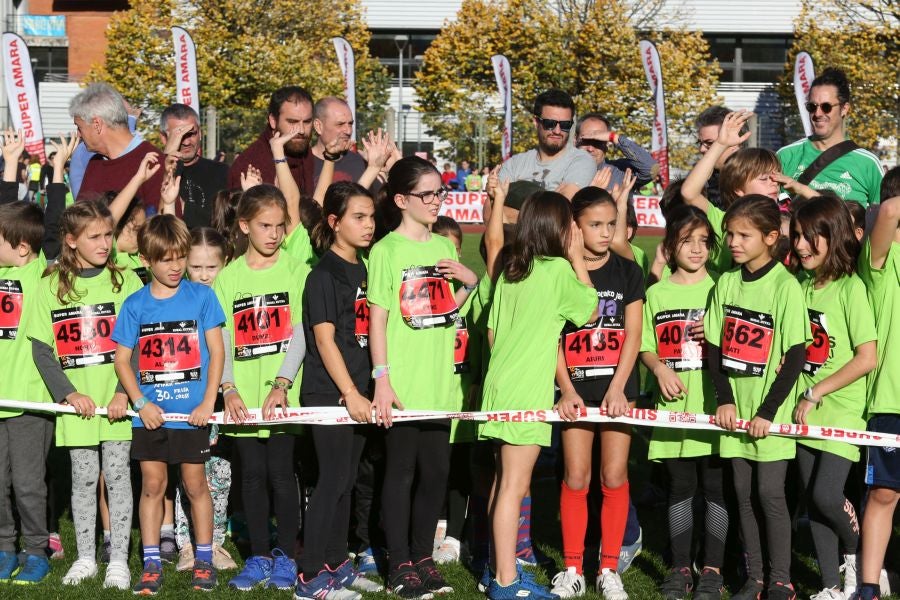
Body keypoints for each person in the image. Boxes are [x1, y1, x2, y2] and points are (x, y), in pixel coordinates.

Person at [367, 156, 478, 599]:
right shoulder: (385, 251)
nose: (435, 201)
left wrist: (469, 283)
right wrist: (382, 379)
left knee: (435, 473)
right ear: (401, 200)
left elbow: (449, 315)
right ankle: (399, 561)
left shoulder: (444, 249)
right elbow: (377, 321)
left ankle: (423, 557)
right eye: (426, 194)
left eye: (439, 193)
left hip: (439, 385)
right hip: (401, 385)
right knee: (400, 473)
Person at [479, 191, 597, 600]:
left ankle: (496, 568)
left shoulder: (512, 269)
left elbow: (492, 332)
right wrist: (578, 257)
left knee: (502, 480)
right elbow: (590, 310)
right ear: (560, 230)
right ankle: (506, 582)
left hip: (499, 386)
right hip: (525, 391)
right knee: (514, 484)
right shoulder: (558, 271)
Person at [30, 200, 144, 590]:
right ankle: (84, 558)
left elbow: (139, 344)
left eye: (108, 235)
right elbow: (42, 350)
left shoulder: (126, 280)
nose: (104, 243)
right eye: (94, 236)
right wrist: (68, 393)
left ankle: (117, 561)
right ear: (71, 240)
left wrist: (122, 394)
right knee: (82, 480)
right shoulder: (49, 284)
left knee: (117, 478)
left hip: (117, 404)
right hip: (77, 408)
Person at [111, 214, 225, 594]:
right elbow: (122, 360)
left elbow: (216, 351)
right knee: (153, 486)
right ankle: (152, 564)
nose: (175, 266)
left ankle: (204, 560)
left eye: (180, 257)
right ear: (146, 260)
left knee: (196, 486)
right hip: (152, 418)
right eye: (165, 259)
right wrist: (140, 402)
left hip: (192, 417)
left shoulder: (203, 296)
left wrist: (209, 400)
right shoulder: (134, 305)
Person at [706, 195, 810, 600]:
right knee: (743, 495)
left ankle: (782, 577)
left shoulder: (785, 286)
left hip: (771, 415)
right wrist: (725, 400)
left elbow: (796, 357)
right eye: (730, 233)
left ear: (770, 237)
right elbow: (715, 350)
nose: (733, 241)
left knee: (769, 494)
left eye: (743, 235)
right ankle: (756, 578)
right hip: (734, 413)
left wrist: (768, 411)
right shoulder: (727, 282)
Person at [214, 184, 309, 591]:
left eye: (280, 226)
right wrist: (229, 388)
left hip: (283, 397)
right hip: (242, 400)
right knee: (250, 476)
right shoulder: (228, 277)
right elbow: (221, 339)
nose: (273, 234)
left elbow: (302, 331)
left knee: (282, 475)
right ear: (243, 226)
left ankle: (287, 554)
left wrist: (282, 384)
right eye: (265, 225)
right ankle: (256, 555)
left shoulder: (296, 270)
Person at [551, 187, 644, 600]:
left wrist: (621, 387)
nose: (605, 232)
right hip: (576, 391)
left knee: (614, 474)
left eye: (611, 224)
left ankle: (609, 568)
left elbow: (635, 334)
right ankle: (573, 567)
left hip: (618, 391)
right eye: (595, 224)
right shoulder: (558, 271)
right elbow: (551, 336)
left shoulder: (628, 270)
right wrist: (566, 388)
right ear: (575, 226)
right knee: (576, 476)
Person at [294, 182, 384, 599]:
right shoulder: (322, 275)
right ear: (334, 222)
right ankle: (309, 577)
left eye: (371, 216)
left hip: (360, 392)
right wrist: (349, 392)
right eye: (358, 217)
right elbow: (325, 341)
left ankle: (336, 564)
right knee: (330, 480)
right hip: (329, 393)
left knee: (347, 480)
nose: (369, 225)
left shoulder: (366, 268)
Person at [790, 196, 877, 600]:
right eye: (797, 237)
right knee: (813, 499)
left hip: (840, 409)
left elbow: (866, 358)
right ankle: (828, 586)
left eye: (811, 237)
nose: (801, 245)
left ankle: (855, 554)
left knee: (827, 494)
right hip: (802, 409)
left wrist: (816, 391)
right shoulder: (802, 285)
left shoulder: (851, 288)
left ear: (834, 236)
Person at [640, 205, 727, 600]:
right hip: (673, 410)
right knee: (679, 487)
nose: (696, 249)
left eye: (704, 242)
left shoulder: (723, 287)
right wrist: (659, 369)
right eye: (687, 241)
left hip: (715, 408)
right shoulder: (656, 293)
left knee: (715, 489)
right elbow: (643, 347)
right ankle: (679, 567)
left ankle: (712, 568)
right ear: (670, 246)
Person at [173, 227, 237, 572]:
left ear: (225, 263)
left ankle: (213, 543)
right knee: (189, 473)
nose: (202, 275)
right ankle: (187, 545)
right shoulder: (178, 297)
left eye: (210, 267)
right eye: (195, 267)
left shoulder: (226, 295)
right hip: (185, 400)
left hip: (222, 400)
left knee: (220, 473)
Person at [0, 201, 56, 585]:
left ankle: (36, 550)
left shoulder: (45, 276)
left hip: (30, 403)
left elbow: (51, 229)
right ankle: (5, 547)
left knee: (27, 483)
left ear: (22, 246)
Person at [853, 167, 900, 600]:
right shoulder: (881, 260)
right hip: (890, 401)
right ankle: (868, 585)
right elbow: (888, 210)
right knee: (884, 493)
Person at [777, 68, 883, 207]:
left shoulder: (868, 164)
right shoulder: (786, 156)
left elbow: (883, 219)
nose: (818, 113)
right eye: (812, 107)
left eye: (826, 107)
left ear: (844, 109)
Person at [70, 83, 165, 209]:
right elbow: (82, 224)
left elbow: (164, 226)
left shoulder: (153, 163)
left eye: (79, 127)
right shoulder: (95, 163)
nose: (78, 134)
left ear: (97, 124)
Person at [497, 89, 596, 199]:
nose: (557, 131)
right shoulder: (514, 164)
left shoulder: (581, 161)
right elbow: (489, 212)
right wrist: (551, 201)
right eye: (550, 123)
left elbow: (561, 211)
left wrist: (509, 201)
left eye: (565, 125)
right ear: (536, 122)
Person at [228, 86, 316, 194]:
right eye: (293, 122)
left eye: (307, 122)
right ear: (273, 121)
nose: (301, 130)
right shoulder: (249, 165)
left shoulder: (306, 154)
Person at [159, 103, 228, 229]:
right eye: (179, 135)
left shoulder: (222, 173)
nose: (186, 142)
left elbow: (225, 225)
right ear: (164, 138)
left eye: (191, 134)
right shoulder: (149, 172)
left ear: (200, 133)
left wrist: (184, 208)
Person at [573, 113, 657, 191]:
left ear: (607, 144)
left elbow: (651, 169)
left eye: (598, 142)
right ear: (575, 140)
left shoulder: (619, 172)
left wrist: (614, 137)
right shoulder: (563, 169)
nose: (590, 149)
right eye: (585, 141)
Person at [695, 106, 747, 209]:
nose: (702, 149)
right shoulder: (700, 180)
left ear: (735, 143)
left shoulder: (755, 179)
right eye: (700, 143)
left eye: (709, 143)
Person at [311, 97, 366, 186]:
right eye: (340, 124)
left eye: (350, 124)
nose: (348, 131)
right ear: (318, 126)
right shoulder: (301, 164)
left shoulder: (360, 161)